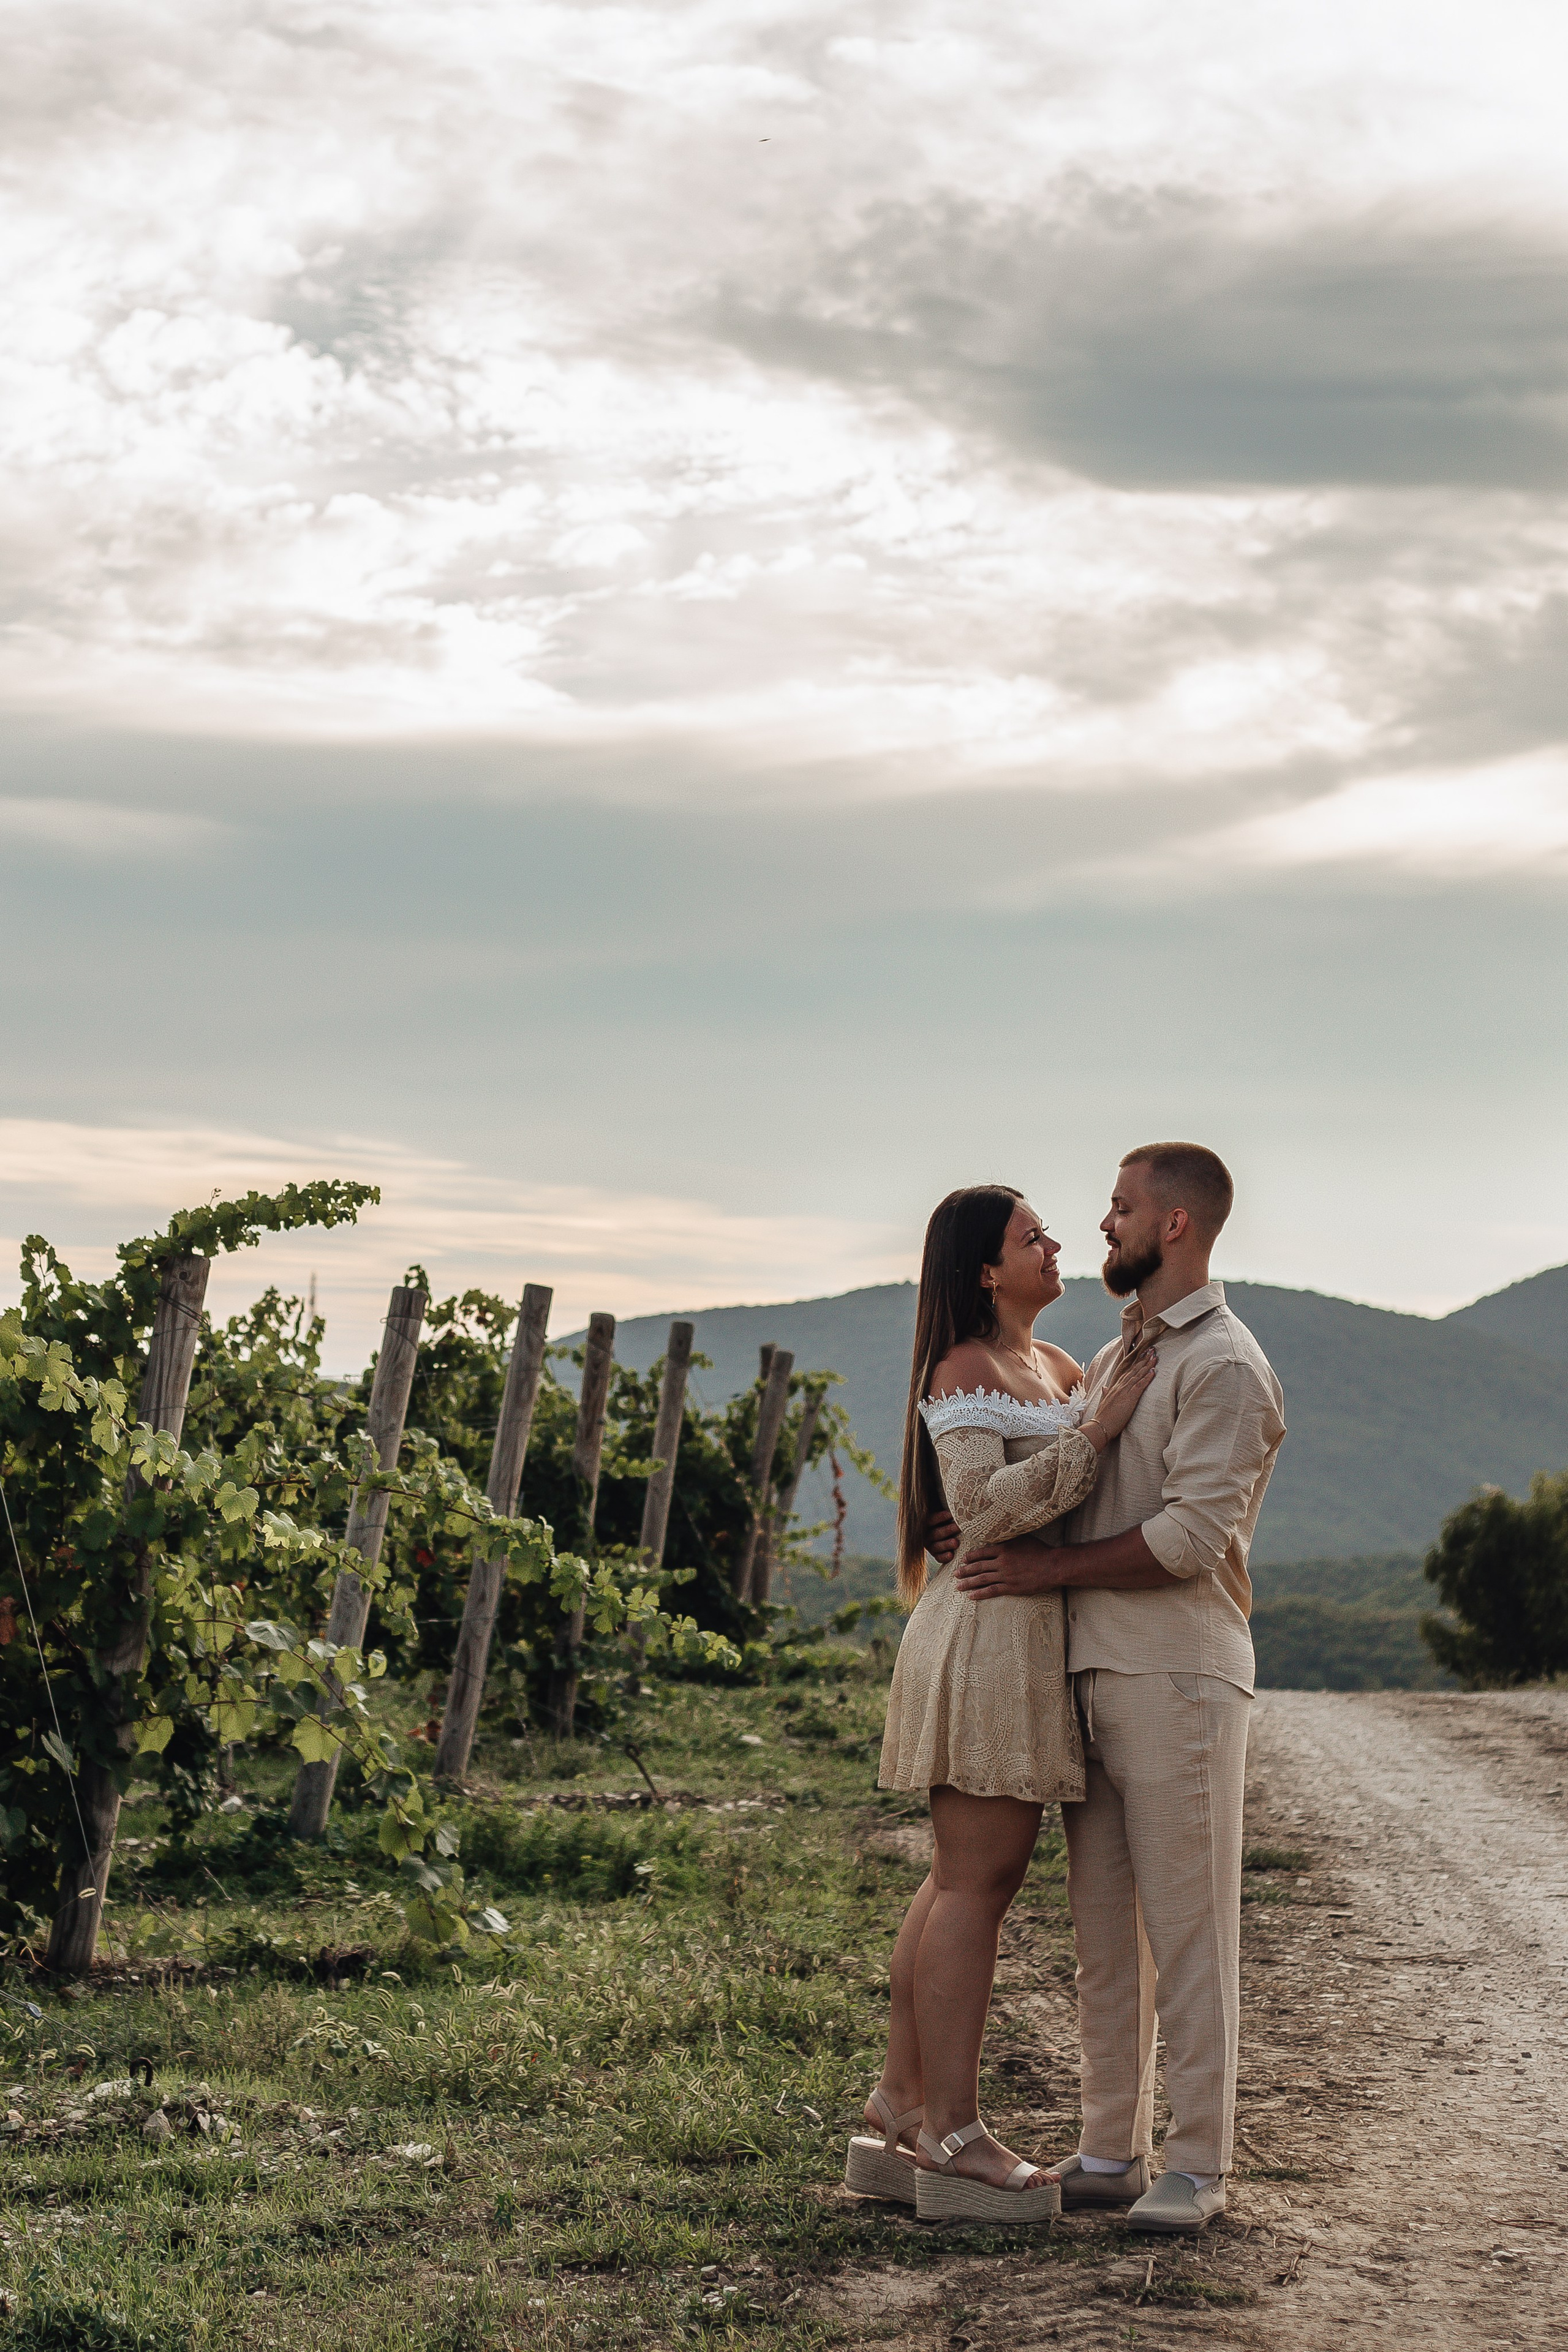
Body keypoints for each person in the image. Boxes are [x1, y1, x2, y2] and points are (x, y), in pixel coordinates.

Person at [946, 1144, 1286, 2233]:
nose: (1104, 1224)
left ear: (1174, 1226)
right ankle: (1108, 2148)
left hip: (1180, 1670)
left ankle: (1198, 2164)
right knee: (1104, 1926)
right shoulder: (1111, 1352)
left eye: (1122, 1208)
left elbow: (1192, 1537)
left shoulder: (1224, 1364)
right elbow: (1068, 1482)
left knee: (1190, 1928)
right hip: (1088, 1669)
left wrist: (1039, 1568)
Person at [846, 1184, 1158, 2224]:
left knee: (962, 1879)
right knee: (978, 1881)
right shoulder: (966, 1367)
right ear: (986, 1269)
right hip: (985, 1639)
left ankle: (900, 2103)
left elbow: (997, 1510)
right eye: (1034, 1237)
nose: (1055, 1244)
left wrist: (1086, 1434)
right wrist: (1095, 1436)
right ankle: (954, 2136)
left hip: (1025, 1635)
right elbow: (980, 1508)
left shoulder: (1061, 1367)